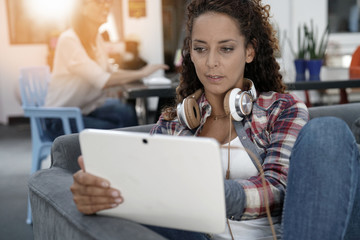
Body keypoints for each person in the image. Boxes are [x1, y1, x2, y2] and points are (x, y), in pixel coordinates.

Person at [70, 0, 360, 239]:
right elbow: (147, 190)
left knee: (328, 131)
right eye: (200, 48)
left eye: (226, 48)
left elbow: (280, 189)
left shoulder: (281, 109)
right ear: (190, 54)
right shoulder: (175, 122)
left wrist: (212, 193)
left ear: (249, 51)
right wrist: (100, 191)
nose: (211, 63)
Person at [45, 0, 168, 140]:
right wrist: (142, 73)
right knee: (115, 132)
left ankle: (133, 156)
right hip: (59, 119)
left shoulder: (96, 38)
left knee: (127, 113)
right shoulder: (68, 40)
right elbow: (102, 80)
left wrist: (141, 73)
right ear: (83, 8)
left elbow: (110, 72)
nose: (106, 6)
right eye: (99, 2)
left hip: (85, 110)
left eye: (107, 2)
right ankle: (129, 155)